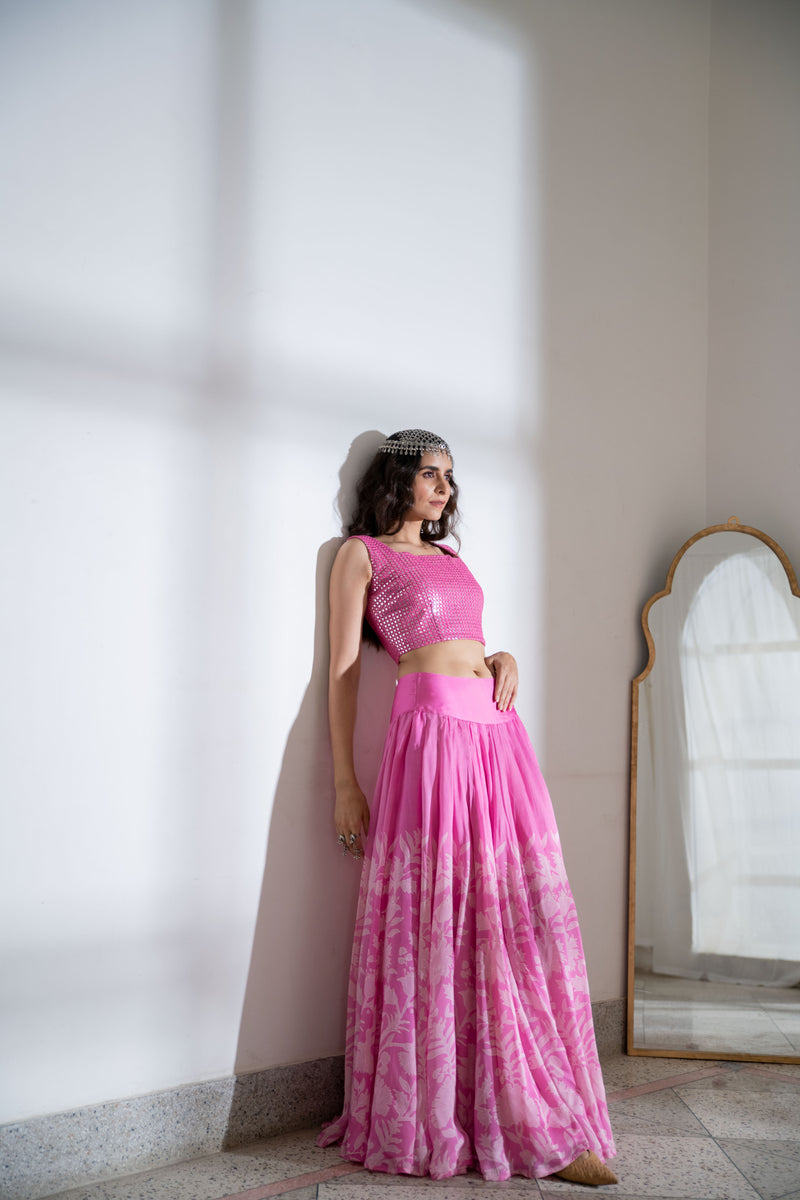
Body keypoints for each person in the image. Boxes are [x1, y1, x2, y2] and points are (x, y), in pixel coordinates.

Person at [318, 429, 617, 1186]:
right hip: (431, 740)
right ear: (397, 481)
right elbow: (344, 673)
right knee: (448, 913)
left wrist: (503, 658)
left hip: (496, 736)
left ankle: (532, 1102)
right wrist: (345, 781)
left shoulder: (451, 560)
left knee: (511, 911)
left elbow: (469, 645)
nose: (444, 488)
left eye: (449, 476)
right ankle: (472, 1109)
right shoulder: (361, 555)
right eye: (430, 474)